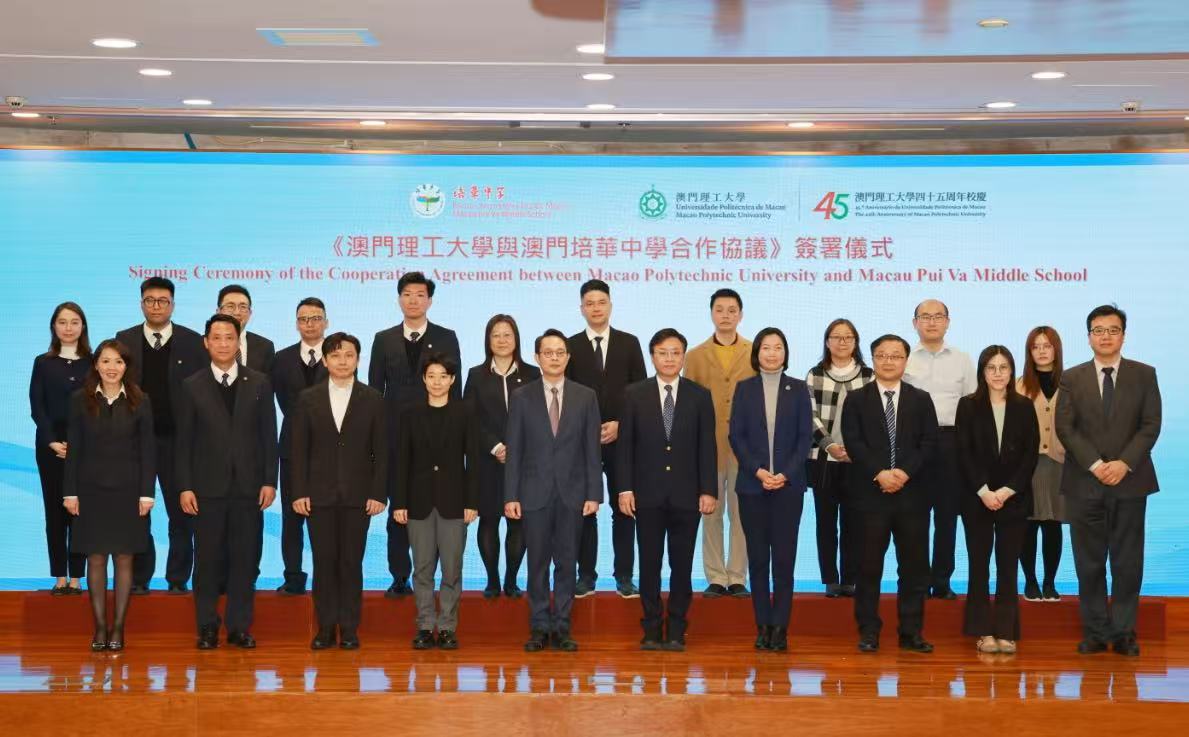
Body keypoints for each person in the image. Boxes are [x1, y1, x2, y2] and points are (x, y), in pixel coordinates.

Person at [1055, 305, 1161, 657]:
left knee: (1127, 562)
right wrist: (1097, 464)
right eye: (1098, 330)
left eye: (1113, 330)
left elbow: (1150, 425)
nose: (1105, 336)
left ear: (1123, 336)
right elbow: (1065, 427)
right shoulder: (1071, 377)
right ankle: (1097, 632)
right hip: (1084, 482)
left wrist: (1124, 463)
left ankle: (1124, 632)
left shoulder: (1144, 375)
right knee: (1089, 562)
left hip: (1130, 482)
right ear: (1089, 337)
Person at [176, 314, 278, 649]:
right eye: (216, 338)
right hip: (206, 489)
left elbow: (268, 436)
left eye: (229, 337)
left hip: (249, 489)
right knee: (206, 561)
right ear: (206, 342)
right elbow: (184, 442)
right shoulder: (192, 385)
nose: (223, 344)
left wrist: (270, 481)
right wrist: (185, 486)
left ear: (238, 342)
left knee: (245, 560)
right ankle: (207, 626)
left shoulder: (259, 382)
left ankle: (239, 626)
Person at [617, 329, 717, 651]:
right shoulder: (634, 394)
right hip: (646, 496)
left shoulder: (699, 396)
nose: (669, 359)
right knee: (649, 565)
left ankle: (676, 627)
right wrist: (624, 489)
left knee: (681, 565)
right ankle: (650, 627)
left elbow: (707, 447)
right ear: (653, 357)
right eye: (663, 353)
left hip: (687, 496)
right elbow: (625, 447)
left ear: (684, 356)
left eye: (675, 353)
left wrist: (709, 490)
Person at [504, 329, 602, 652]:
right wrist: (511, 495)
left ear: (568, 357)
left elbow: (592, 449)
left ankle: (561, 627)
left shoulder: (586, 396)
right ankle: (538, 627)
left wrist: (594, 493)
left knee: (567, 562)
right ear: (537, 358)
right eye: (548, 353)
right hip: (533, 493)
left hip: (573, 493)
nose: (555, 358)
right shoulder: (521, 397)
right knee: (537, 564)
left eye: (560, 352)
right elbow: (515, 449)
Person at [842, 334, 938, 654]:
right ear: (872, 359)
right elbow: (854, 442)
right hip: (870, 496)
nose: (888, 361)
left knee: (913, 568)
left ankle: (911, 632)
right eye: (882, 355)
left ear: (906, 361)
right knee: (868, 567)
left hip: (912, 497)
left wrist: (904, 473)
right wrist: (880, 473)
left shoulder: (921, 399)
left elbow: (929, 442)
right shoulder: (856, 399)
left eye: (895, 356)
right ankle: (868, 631)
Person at [290, 333, 387, 650]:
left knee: (351, 563)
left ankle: (349, 629)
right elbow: (298, 450)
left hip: (359, 496)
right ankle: (325, 628)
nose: (342, 361)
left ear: (358, 359)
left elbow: (381, 451)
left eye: (348, 355)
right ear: (325, 360)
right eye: (335, 355)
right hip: (318, 495)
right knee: (324, 562)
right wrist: (299, 491)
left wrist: (378, 493)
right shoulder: (308, 398)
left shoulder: (373, 398)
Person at [368, 272, 461, 598]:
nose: (413, 300)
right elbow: (374, 392)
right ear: (399, 299)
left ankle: (430, 575)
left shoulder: (446, 337)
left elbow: (455, 392)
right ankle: (399, 576)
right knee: (399, 510)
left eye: (420, 295)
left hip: (435, 439)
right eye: (407, 294)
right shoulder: (383, 339)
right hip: (395, 440)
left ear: (429, 301)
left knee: (433, 509)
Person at [62, 339, 155, 651]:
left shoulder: (141, 400)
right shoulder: (80, 399)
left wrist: (147, 494)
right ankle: (100, 628)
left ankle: (118, 629)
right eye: (105, 361)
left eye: (118, 361)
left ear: (126, 366)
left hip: (129, 492)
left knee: (125, 558)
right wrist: (70, 493)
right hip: (90, 491)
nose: (112, 368)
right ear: (96, 365)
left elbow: (148, 451)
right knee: (96, 557)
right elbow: (74, 450)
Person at [115, 276, 207, 594]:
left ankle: (178, 578)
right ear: (141, 304)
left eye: (163, 301)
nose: (156, 306)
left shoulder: (192, 341)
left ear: (173, 304)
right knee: (137, 512)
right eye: (150, 300)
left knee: (182, 514)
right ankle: (140, 577)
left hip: (178, 442)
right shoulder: (124, 340)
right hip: (134, 442)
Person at [727, 328, 813, 652]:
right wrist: (760, 471)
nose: (772, 353)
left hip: (789, 488)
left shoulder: (799, 389)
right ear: (757, 353)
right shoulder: (745, 388)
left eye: (778, 347)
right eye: (766, 347)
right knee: (759, 559)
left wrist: (784, 474)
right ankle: (762, 625)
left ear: (785, 353)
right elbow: (737, 437)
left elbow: (805, 438)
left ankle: (780, 628)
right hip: (753, 487)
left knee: (784, 561)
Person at [566, 279, 647, 598]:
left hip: (621, 441)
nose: (596, 308)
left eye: (601, 302)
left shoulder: (629, 343)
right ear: (581, 308)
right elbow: (564, 395)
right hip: (581, 443)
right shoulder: (570, 346)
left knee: (624, 508)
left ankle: (624, 575)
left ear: (610, 305)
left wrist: (621, 425)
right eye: (590, 303)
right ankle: (585, 575)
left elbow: (641, 393)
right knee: (584, 508)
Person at [956, 346, 1039, 654]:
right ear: (982, 372)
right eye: (991, 367)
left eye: (1004, 367)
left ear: (1012, 371)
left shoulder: (1024, 406)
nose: (998, 373)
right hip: (977, 498)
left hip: (1013, 499)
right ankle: (981, 631)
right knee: (979, 566)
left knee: (1007, 567)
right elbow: (963, 451)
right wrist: (984, 491)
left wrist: (1006, 491)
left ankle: (1006, 631)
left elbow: (1030, 455)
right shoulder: (968, 405)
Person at [393, 353, 479, 650]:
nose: (437, 382)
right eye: (431, 376)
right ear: (424, 379)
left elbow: (473, 461)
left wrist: (472, 502)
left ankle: (447, 627)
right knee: (422, 568)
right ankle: (425, 625)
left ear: (452, 380)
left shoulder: (465, 412)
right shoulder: (409, 414)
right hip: (418, 503)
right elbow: (402, 461)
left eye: (443, 376)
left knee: (452, 569)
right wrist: (399, 502)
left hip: (454, 502)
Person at [903, 299, 976, 600]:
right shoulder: (904, 359)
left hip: (951, 442)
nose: (931, 322)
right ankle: (918, 581)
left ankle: (942, 580)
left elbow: (972, 405)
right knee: (915, 517)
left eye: (938, 316)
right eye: (925, 316)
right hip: (913, 443)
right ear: (915, 323)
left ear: (947, 321)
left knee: (947, 517)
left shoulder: (962, 359)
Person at [463, 314, 540, 598]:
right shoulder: (476, 375)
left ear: (516, 339)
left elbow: (540, 416)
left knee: (518, 520)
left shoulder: (533, 374)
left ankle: (511, 580)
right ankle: (492, 580)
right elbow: (470, 418)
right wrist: (495, 447)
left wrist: (518, 448)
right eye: (496, 335)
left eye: (507, 334)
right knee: (490, 519)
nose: (502, 340)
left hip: (526, 460)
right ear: (488, 340)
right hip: (487, 460)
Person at [683, 289, 754, 599]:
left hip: (745, 450)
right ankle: (715, 576)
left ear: (741, 314)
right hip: (707, 448)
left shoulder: (754, 352)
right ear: (711, 313)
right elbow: (688, 404)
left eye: (732, 310)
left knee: (742, 515)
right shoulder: (694, 355)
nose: (726, 315)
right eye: (720, 309)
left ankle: (737, 576)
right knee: (710, 513)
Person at [805, 318, 874, 598]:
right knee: (825, 523)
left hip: (859, 462)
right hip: (823, 460)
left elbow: (873, 418)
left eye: (848, 337)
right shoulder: (815, 374)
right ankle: (831, 580)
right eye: (836, 337)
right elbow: (809, 415)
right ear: (827, 342)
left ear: (856, 342)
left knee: (854, 523)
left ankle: (850, 579)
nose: (842, 342)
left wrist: (856, 449)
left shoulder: (869, 375)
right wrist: (830, 445)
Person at [29, 302, 91, 594]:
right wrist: (53, 441)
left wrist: (80, 445)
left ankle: (77, 578)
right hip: (50, 446)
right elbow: (37, 406)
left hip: (86, 448)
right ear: (54, 326)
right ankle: (60, 577)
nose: (68, 328)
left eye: (74, 322)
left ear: (83, 326)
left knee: (80, 513)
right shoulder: (43, 362)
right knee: (54, 513)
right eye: (62, 322)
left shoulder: (94, 362)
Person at [271, 297, 330, 595]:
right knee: (291, 516)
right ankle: (293, 576)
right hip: (292, 446)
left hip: (329, 450)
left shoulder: (339, 354)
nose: (310, 324)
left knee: (324, 519)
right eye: (304, 319)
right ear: (296, 324)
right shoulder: (281, 358)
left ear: (326, 322)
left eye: (316, 318)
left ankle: (326, 577)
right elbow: (282, 400)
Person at [1017, 326, 1067, 603]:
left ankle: (1050, 582)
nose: (1042, 351)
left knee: (1053, 522)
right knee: (1028, 522)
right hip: (1028, 464)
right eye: (1035, 347)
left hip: (1060, 462)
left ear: (1056, 349)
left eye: (1047, 345)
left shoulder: (1071, 383)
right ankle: (1030, 581)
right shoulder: (1018, 384)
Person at [216, 284, 275, 374]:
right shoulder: (201, 345)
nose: (237, 312)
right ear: (218, 312)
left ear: (250, 313)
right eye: (230, 306)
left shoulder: (265, 347)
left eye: (243, 307)